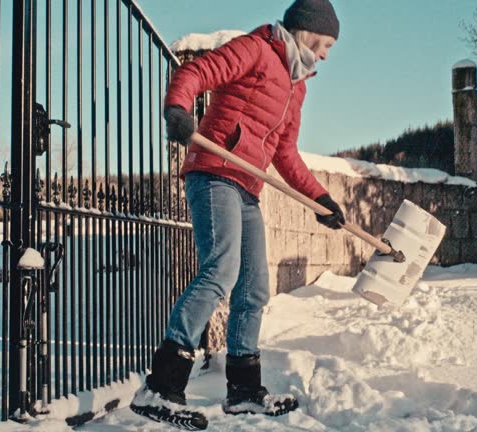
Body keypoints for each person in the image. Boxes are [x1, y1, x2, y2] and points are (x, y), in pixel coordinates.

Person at [132, 0, 345, 426]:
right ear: (306, 31)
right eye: (324, 44)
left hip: (248, 186)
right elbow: (195, 73)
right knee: (221, 270)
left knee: (254, 288)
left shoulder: (297, 85)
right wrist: (178, 109)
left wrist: (319, 199)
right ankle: (161, 384)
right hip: (213, 173)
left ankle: (244, 389)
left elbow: (284, 153)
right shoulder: (256, 47)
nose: (325, 55)